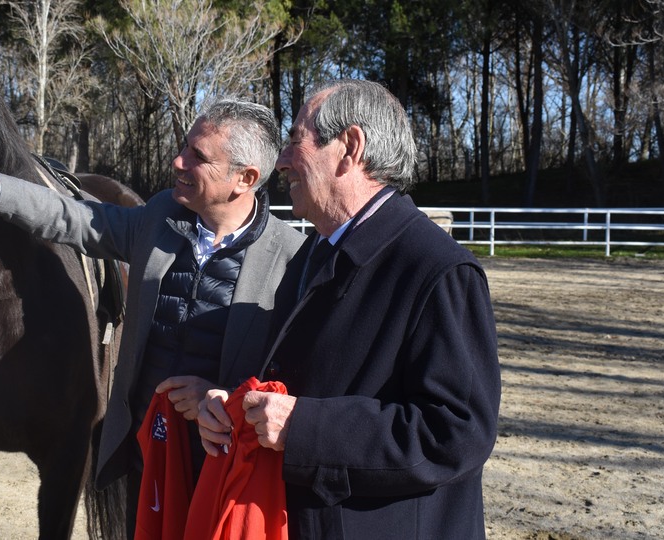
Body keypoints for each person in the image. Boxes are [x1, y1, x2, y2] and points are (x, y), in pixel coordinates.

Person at [0, 99, 305, 535]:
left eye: (199, 157)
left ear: (244, 179)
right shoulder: (160, 219)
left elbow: (295, 375)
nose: (178, 161)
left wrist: (226, 397)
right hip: (146, 455)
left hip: (223, 467)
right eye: (184, 146)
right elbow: (73, 218)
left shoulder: (292, 259)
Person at [198, 79, 501, 539]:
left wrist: (303, 428)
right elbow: (300, 379)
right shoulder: (314, 253)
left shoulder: (438, 269)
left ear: (350, 147)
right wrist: (238, 408)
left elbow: (456, 433)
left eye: (296, 139)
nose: (280, 160)